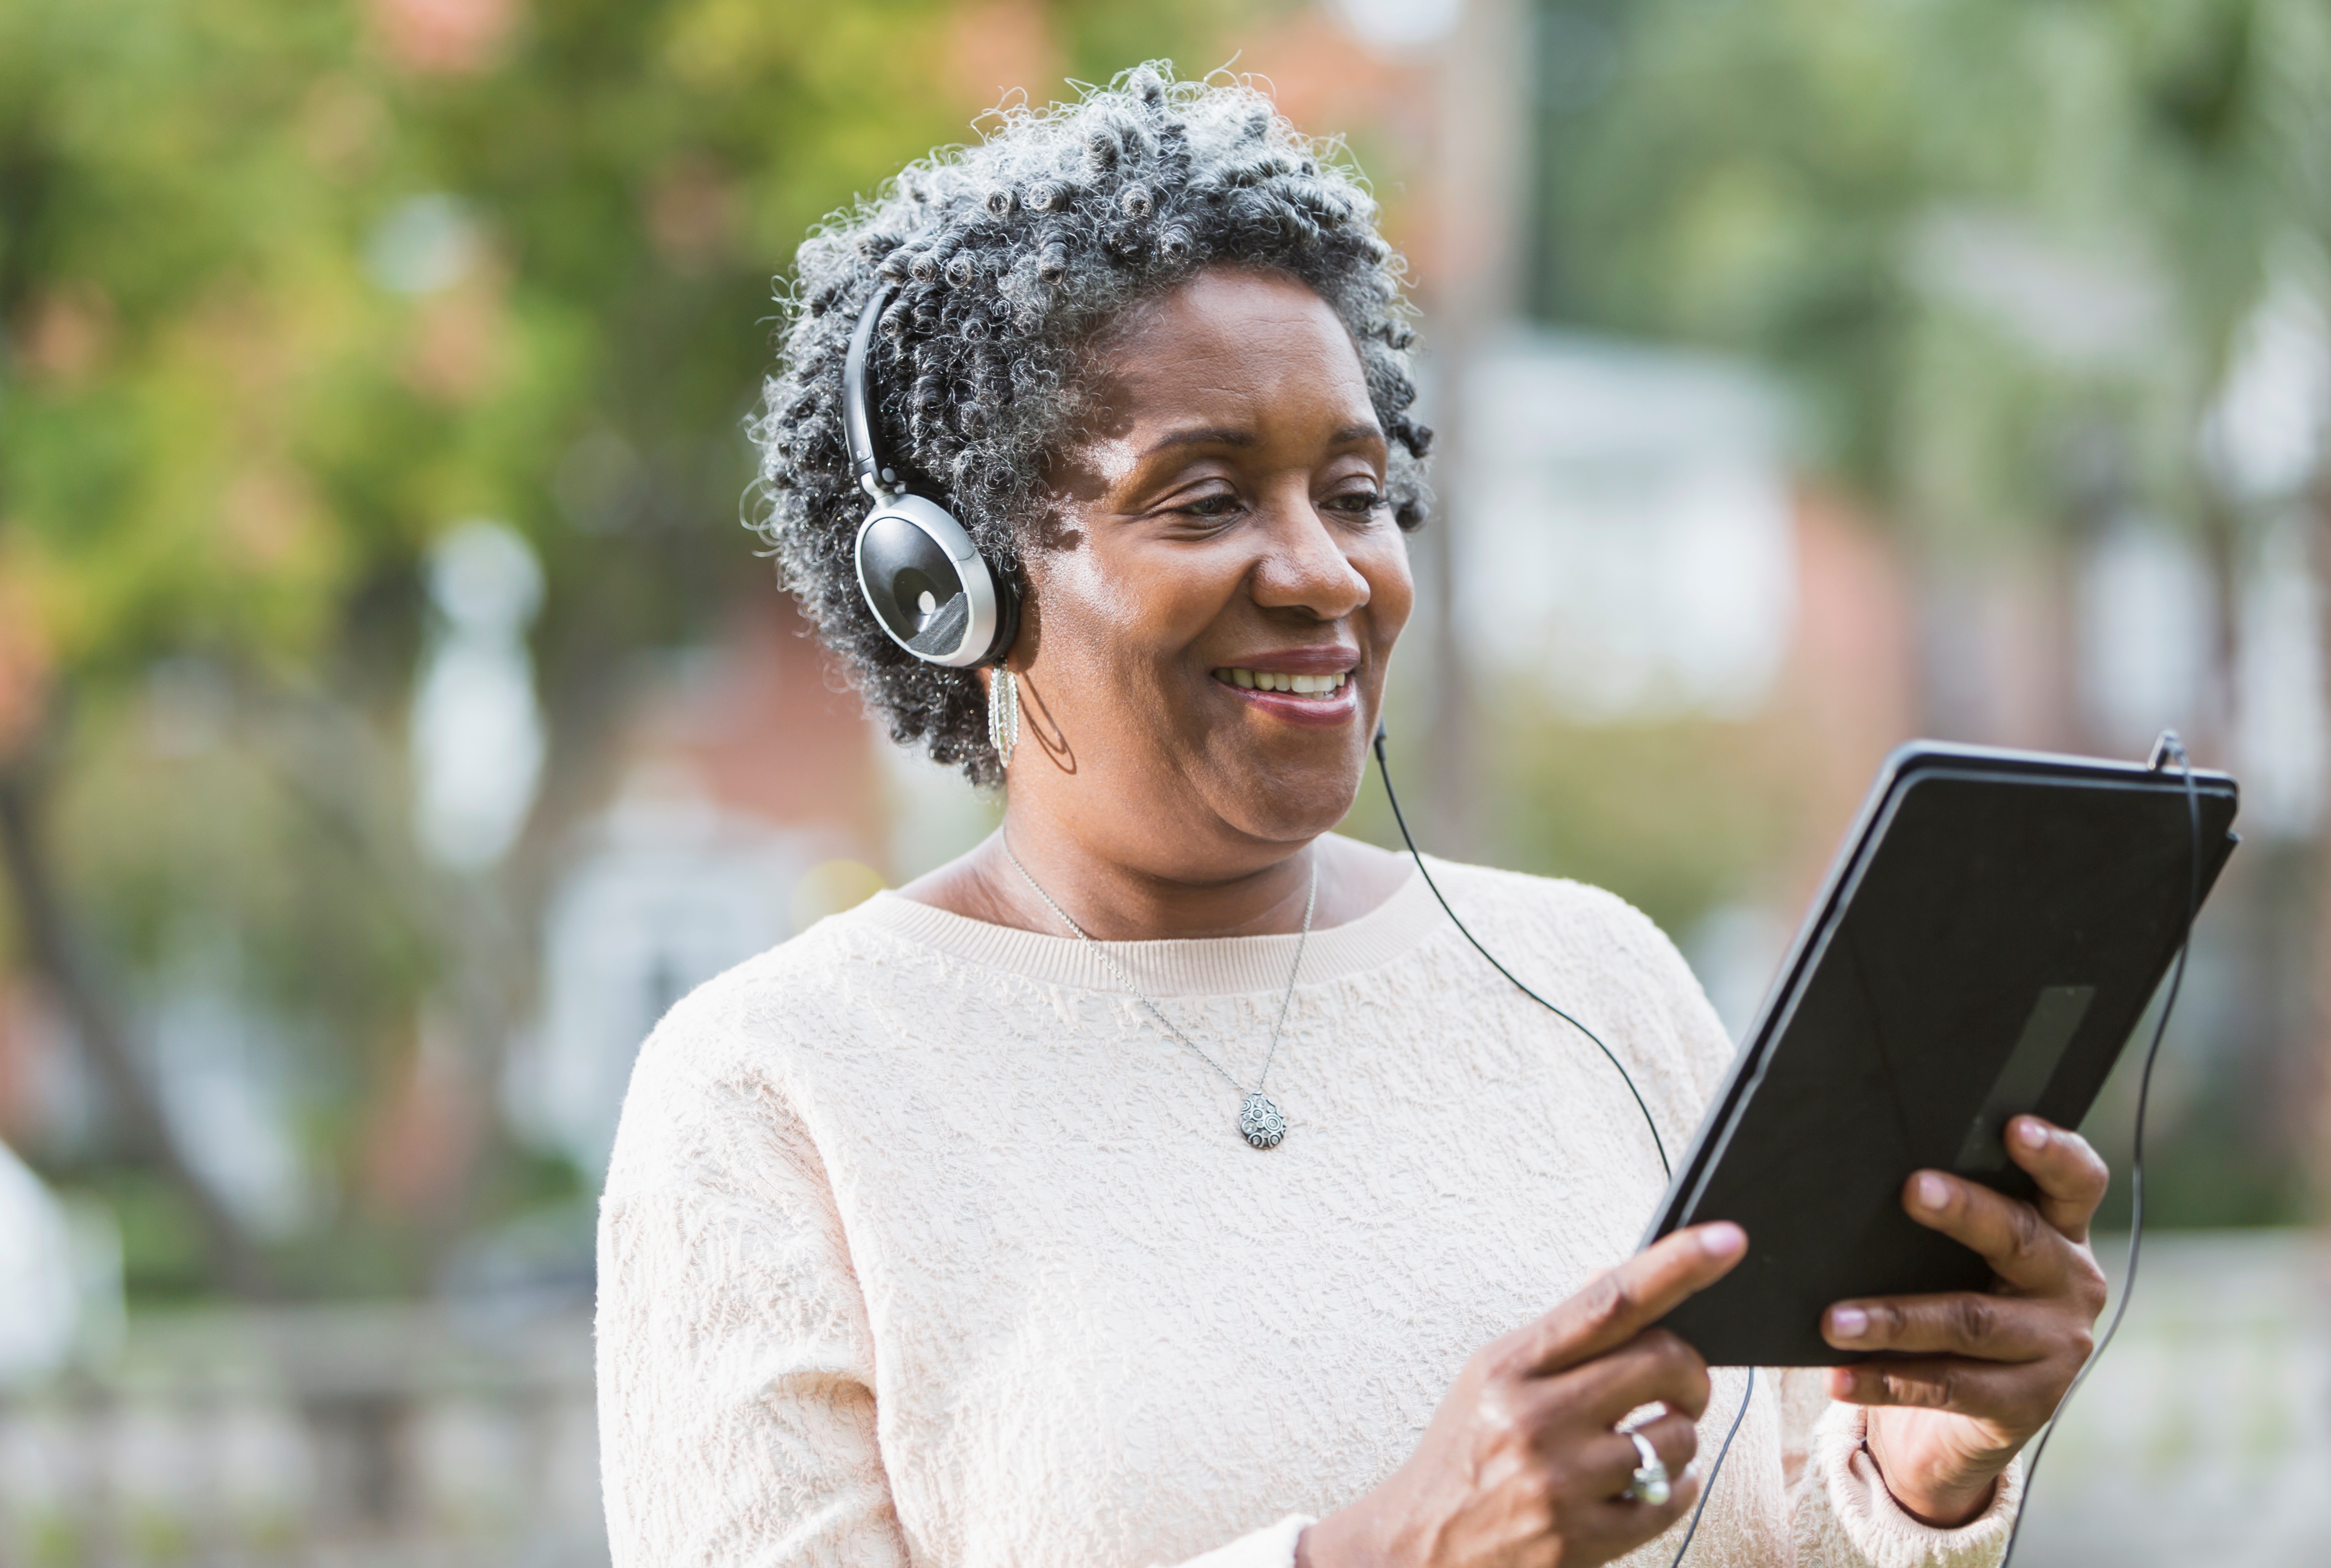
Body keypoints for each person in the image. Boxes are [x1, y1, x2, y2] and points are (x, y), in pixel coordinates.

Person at [595, 66, 2111, 1568]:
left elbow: (1766, 1528)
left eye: (1358, 491)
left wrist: (1914, 1478)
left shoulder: (1595, 978)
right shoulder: (773, 1092)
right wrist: (1392, 1553)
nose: (1328, 573)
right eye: (1203, 500)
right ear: (952, 591)